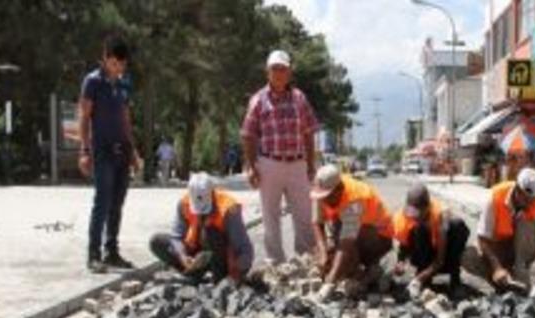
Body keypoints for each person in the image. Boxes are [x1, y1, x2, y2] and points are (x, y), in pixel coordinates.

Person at [241, 50, 319, 265]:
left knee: (303, 214)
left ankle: (305, 259)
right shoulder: (258, 100)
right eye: (275, 68)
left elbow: (309, 132)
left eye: (283, 69)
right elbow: (248, 134)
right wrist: (251, 167)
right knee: (270, 217)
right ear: (268, 72)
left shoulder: (299, 98)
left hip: (297, 164)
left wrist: (311, 165)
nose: (279, 73)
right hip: (270, 163)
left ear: (289, 73)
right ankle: (275, 261)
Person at [78, 35, 143, 273]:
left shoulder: (124, 83)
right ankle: (93, 255)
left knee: (117, 203)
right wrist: (84, 150)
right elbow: (84, 116)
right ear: (105, 59)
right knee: (102, 201)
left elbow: (125, 119)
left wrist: (133, 152)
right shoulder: (92, 82)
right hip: (102, 150)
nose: (118, 68)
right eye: (114, 63)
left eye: (122, 64)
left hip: (122, 151)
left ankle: (112, 252)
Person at [465, 168, 535, 296]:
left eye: (530, 199)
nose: (526, 202)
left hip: (521, 257)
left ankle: (517, 274)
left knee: (525, 224)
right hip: (498, 250)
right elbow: (482, 237)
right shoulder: (496, 197)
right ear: (516, 187)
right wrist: (497, 268)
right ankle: (501, 282)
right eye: (524, 197)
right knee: (469, 256)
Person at [149, 173, 253, 282]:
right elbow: (176, 237)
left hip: (220, 256)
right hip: (196, 254)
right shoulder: (184, 203)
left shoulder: (228, 208)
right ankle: (192, 274)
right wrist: (182, 256)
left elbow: (245, 249)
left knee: (210, 232)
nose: (201, 214)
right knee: (157, 241)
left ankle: (219, 278)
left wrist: (237, 270)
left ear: (212, 193)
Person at [310, 165, 393, 290]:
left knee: (344, 258)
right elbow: (317, 222)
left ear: (339, 189)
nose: (324, 201)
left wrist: (331, 280)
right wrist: (323, 253)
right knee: (328, 252)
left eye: (327, 197)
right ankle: (353, 267)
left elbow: (346, 242)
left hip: (379, 238)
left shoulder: (356, 198)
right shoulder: (321, 192)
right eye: (321, 197)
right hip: (350, 230)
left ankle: (369, 270)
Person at [392, 183, 470, 297]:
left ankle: (455, 281)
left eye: (419, 214)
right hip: (422, 255)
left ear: (427, 207)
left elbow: (440, 261)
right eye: (413, 214)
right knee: (419, 228)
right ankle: (425, 278)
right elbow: (404, 245)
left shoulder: (442, 216)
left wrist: (418, 279)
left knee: (458, 225)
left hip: (444, 256)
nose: (416, 218)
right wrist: (401, 262)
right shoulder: (404, 216)